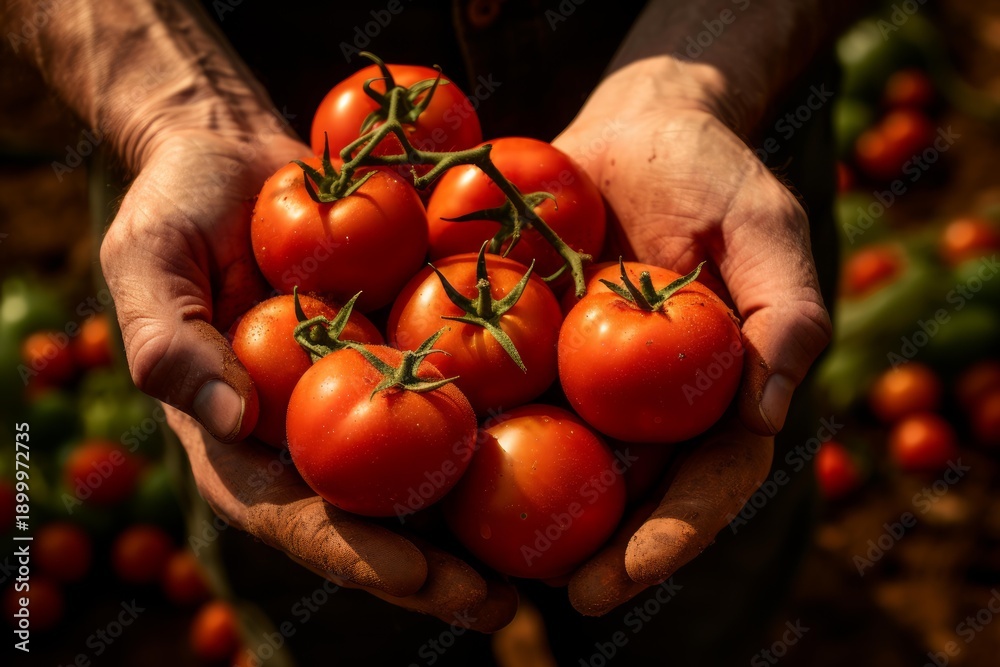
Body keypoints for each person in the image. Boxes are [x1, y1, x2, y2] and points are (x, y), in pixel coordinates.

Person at [2, 0, 865, 662]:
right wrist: (172, 109)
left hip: (711, 108)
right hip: (237, 130)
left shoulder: (481, 287)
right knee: (338, 620)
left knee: (696, 613)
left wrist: (699, 81)